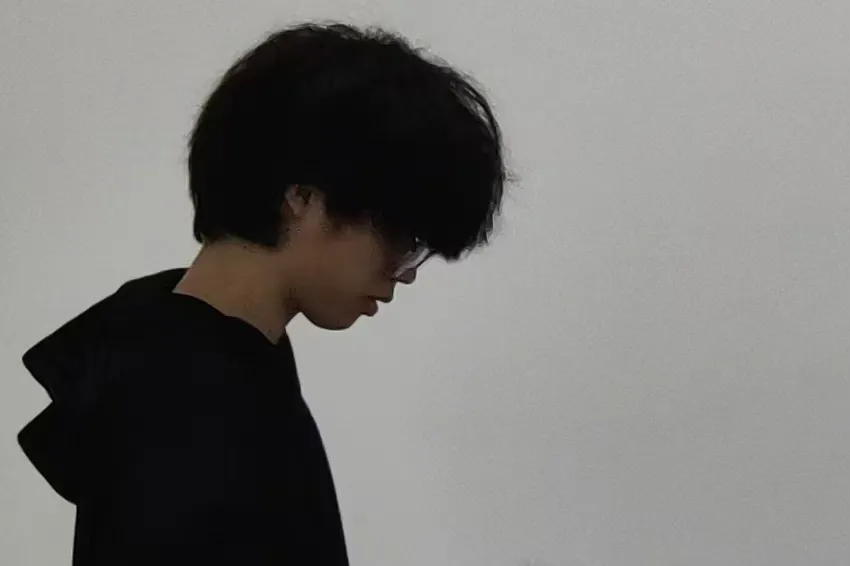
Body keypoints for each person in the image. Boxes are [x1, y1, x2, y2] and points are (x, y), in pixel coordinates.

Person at [17, 21, 507, 565]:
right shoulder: (197, 405)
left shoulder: (165, 347)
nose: (405, 272)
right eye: (403, 238)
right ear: (303, 197)